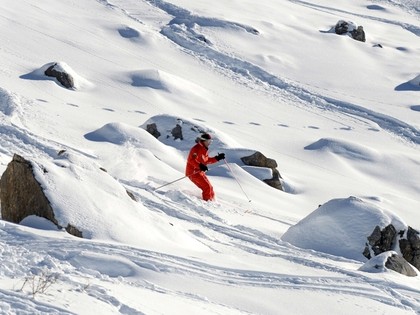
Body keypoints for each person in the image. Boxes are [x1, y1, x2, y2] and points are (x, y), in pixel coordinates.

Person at [185, 133, 225, 201]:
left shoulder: (204, 149)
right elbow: (191, 160)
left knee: (210, 188)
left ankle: (212, 201)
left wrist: (217, 158)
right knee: (207, 187)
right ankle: (207, 203)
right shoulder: (196, 149)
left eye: (211, 141)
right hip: (193, 172)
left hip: (199, 172)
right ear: (204, 141)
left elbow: (206, 160)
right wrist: (200, 165)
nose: (210, 143)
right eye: (208, 141)